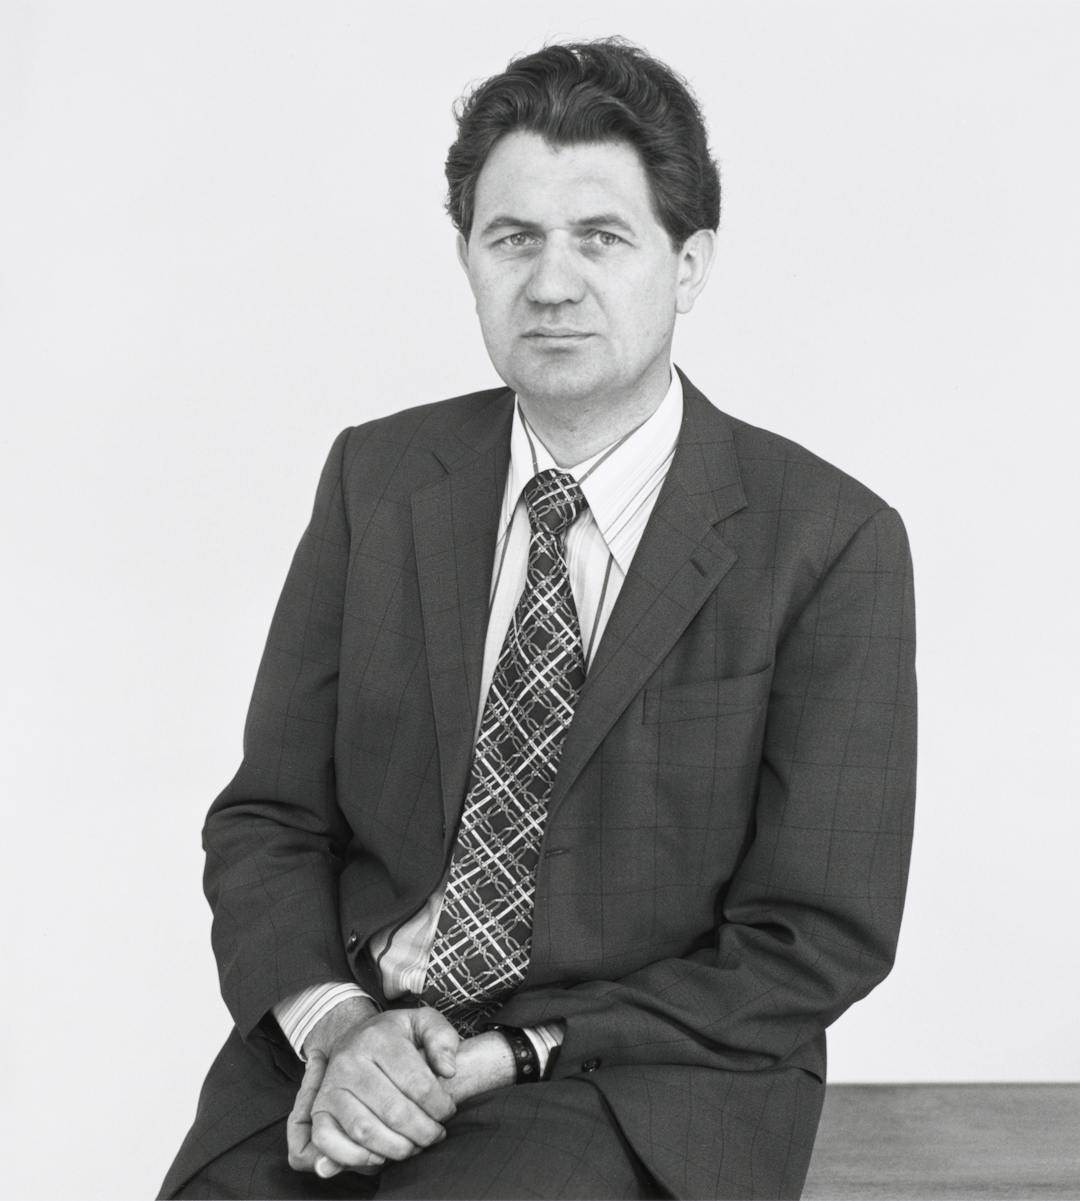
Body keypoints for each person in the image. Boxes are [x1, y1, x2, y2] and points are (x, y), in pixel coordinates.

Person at [160, 37, 917, 1201]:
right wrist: (339, 1023)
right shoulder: (379, 481)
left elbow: (813, 936)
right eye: (513, 239)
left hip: (632, 1075)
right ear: (468, 258)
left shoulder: (826, 541)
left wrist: (513, 1050)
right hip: (354, 1040)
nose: (552, 284)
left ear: (689, 263)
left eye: (601, 237)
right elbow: (269, 819)